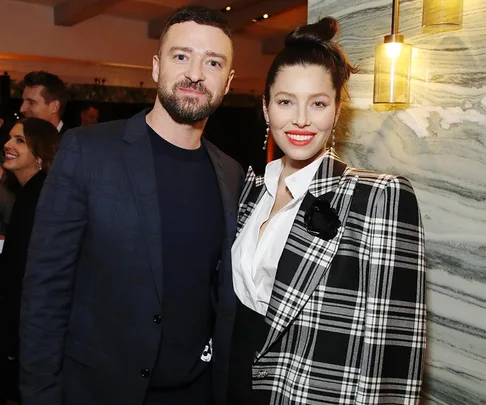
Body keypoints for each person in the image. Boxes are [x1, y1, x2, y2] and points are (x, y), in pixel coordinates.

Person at [19, 5, 243, 405]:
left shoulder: (230, 172)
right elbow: (45, 288)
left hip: (197, 392)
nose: (195, 73)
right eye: (181, 56)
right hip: (99, 391)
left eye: (212, 62)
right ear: (157, 67)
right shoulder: (88, 151)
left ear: (227, 81)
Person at [228, 17, 426, 405]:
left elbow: (395, 353)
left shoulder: (378, 197)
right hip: (233, 387)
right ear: (266, 108)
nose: (301, 119)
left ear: (337, 110)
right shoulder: (248, 192)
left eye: (317, 103)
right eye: (286, 101)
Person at [0, 117, 60, 403]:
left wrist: (13, 338)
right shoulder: (33, 192)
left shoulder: (39, 197)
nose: (7, 144)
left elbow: (27, 275)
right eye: (10, 138)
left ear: (40, 154)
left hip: (29, 334)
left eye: (19, 140)